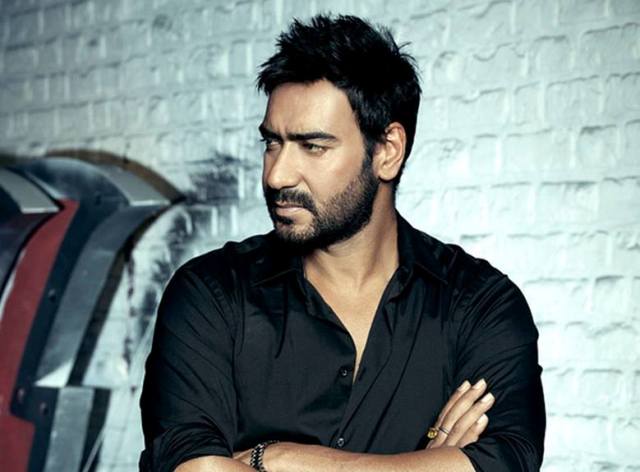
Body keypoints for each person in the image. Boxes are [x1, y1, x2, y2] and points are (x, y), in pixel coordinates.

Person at [139, 14, 545, 472]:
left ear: (387, 151)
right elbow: (193, 466)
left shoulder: (480, 304)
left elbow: (508, 461)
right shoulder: (210, 294)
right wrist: (423, 466)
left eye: (313, 146)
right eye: (272, 143)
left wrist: (278, 457)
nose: (277, 175)